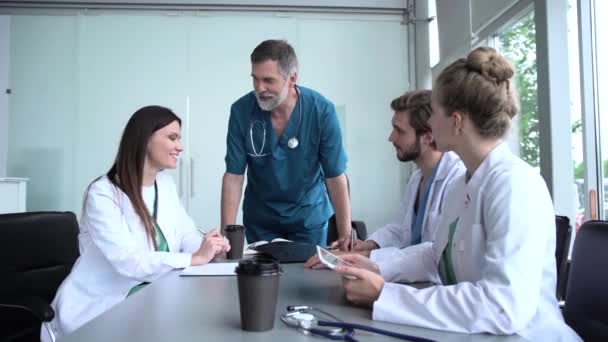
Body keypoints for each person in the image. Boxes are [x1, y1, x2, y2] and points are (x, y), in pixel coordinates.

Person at [333, 47, 582, 340]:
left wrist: (386, 296)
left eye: (435, 113)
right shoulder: (464, 182)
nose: (430, 124)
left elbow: (503, 308)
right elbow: (436, 253)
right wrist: (376, 265)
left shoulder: (516, 185)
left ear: (456, 121)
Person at [43, 106, 230, 340]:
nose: (180, 147)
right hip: (99, 310)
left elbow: (184, 233)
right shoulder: (103, 194)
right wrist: (195, 258)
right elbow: (127, 261)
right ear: (145, 139)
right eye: (172, 138)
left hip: (150, 298)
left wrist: (209, 247)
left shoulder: (165, 185)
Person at [306, 90, 464, 273]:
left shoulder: (456, 180)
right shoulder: (417, 178)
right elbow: (400, 229)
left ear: (428, 136)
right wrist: (368, 245)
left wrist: (366, 258)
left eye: (400, 131)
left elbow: (435, 251)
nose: (391, 138)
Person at [221, 39, 351, 249]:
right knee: (264, 279)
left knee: (306, 280)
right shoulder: (242, 111)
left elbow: (335, 176)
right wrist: (226, 238)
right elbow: (234, 176)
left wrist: (346, 237)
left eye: (268, 80)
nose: (259, 88)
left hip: (308, 220)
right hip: (261, 221)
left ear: (292, 79)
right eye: (255, 79)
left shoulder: (321, 111)